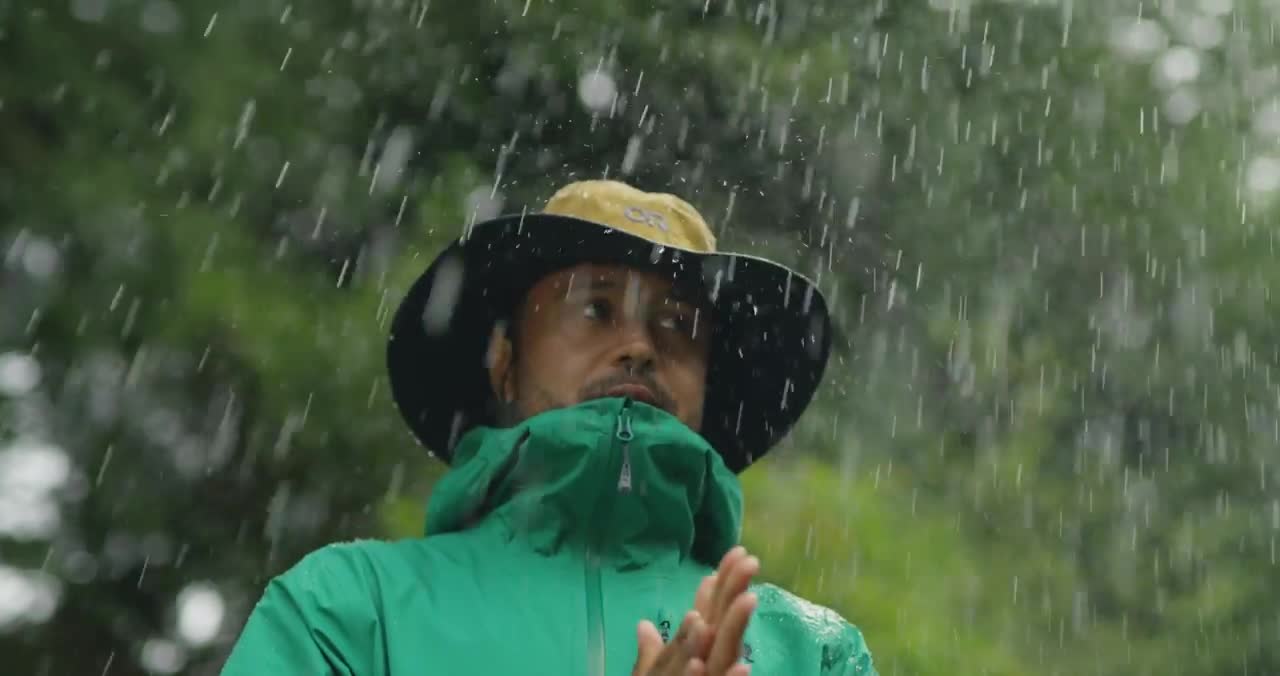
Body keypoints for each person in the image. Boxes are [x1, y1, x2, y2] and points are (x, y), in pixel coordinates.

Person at [221, 180, 877, 675]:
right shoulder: (351, 610)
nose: (639, 347)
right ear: (504, 362)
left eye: (677, 323)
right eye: (595, 308)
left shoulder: (814, 652)